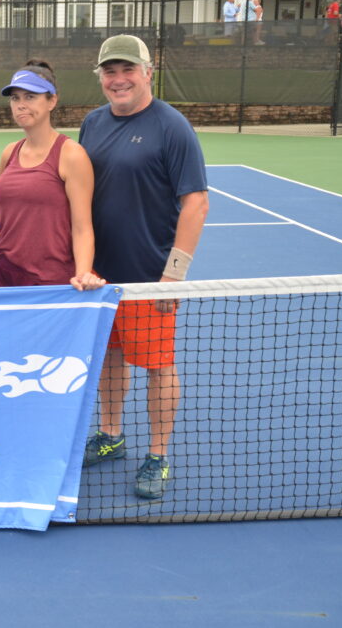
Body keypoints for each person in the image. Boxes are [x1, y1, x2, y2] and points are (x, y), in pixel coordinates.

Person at [77, 35, 209, 500]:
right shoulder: (92, 124)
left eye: (127, 70)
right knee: (109, 359)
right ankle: (111, 435)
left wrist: (173, 274)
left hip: (150, 278)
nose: (119, 79)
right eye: (110, 71)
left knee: (158, 366)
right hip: (98, 277)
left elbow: (196, 203)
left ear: (148, 72)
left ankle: (157, 455)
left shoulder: (172, 127)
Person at [0, 60, 103, 292]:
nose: (21, 105)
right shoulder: (9, 153)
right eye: (15, 98)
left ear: (52, 101)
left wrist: (83, 274)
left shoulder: (72, 155)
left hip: (51, 280)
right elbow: (2, 213)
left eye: (30, 97)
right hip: (5, 274)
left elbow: (82, 228)